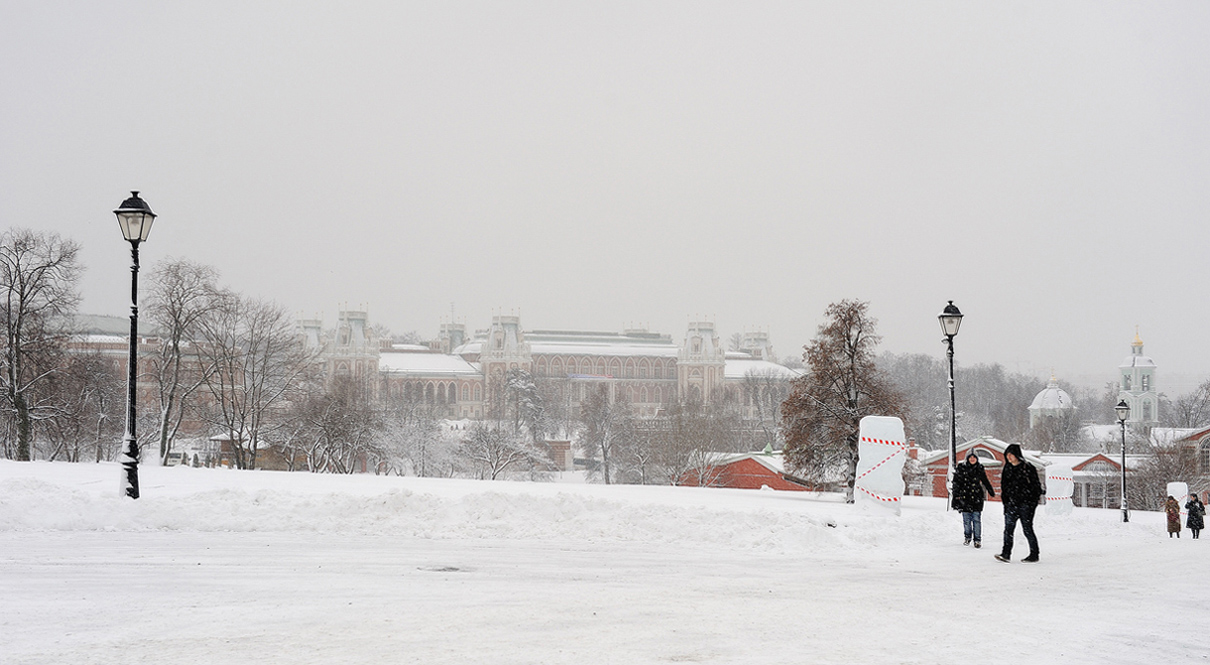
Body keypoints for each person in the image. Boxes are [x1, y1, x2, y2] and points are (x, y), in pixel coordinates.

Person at [994, 443, 1043, 563]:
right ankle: (1006, 554)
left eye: (1011, 455)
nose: (1009, 457)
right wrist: (1005, 502)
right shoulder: (1007, 468)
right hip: (1011, 504)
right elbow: (1004, 486)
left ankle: (1034, 553)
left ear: (1017, 455)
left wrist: (1031, 502)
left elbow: (1036, 486)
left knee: (1027, 529)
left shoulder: (1027, 468)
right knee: (1008, 530)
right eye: (1007, 455)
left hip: (1026, 505)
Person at [951, 450, 995, 548]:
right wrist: (956, 495)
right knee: (966, 520)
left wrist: (990, 490)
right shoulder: (962, 468)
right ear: (967, 458)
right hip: (965, 497)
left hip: (976, 497)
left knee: (976, 519)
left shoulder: (979, 468)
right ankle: (967, 537)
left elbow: (985, 480)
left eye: (974, 457)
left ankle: (977, 540)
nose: (972, 459)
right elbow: (956, 482)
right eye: (970, 457)